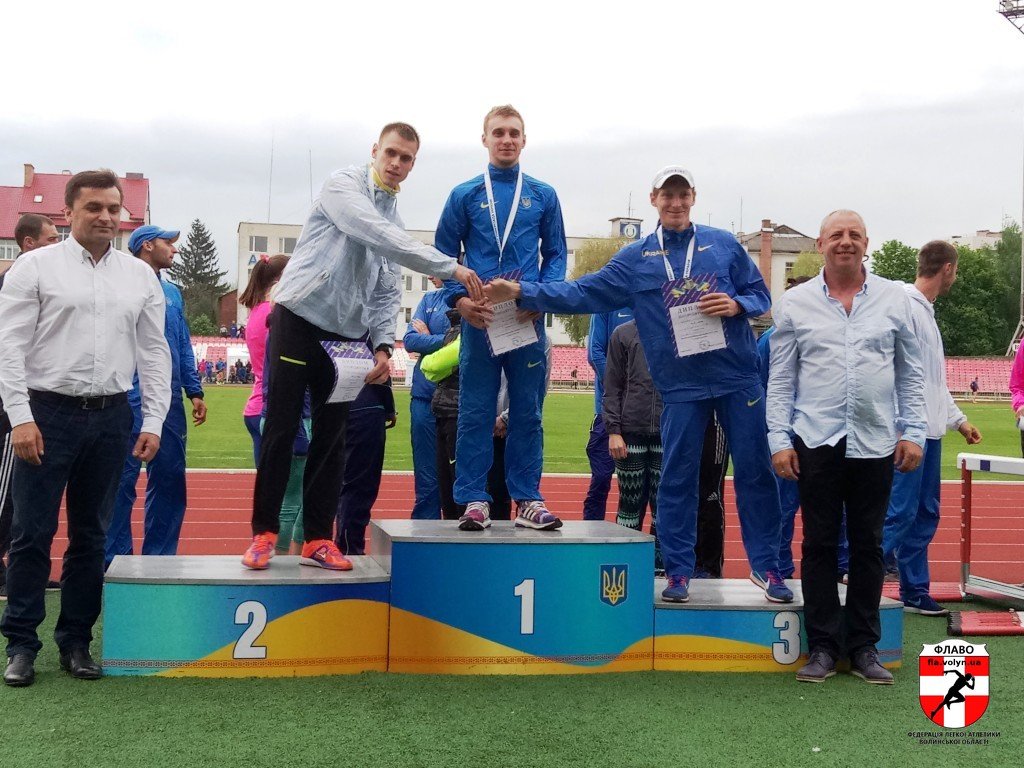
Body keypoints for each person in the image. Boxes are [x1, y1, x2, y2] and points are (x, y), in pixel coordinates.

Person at [485, 166, 791, 605]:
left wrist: (737, 303)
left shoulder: (723, 244)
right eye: (667, 195)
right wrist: (521, 292)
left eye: (682, 194)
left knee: (756, 472)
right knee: (677, 478)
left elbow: (761, 296)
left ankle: (767, 567)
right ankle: (679, 572)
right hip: (681, 387)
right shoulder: (636, 258)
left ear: (693, 197)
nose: (675, 203)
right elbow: (582, 292)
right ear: (654, 200)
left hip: (736, 377)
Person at [242, 122, 482, 571]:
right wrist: (449, 267)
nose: (396, 163)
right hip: (297, 317)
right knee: (282, 427)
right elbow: (372, 232)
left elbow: (387, 291)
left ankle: (318, 539)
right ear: (375, 151)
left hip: (346, 337)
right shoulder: (342, 186)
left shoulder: (395, 220)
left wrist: (383, 346)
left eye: (406, 158)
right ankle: (264, 534)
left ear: (413, 164)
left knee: (333, 437)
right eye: (391, 153)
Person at [0, 170, 170, 686]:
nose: (105, 217)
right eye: (94, 207)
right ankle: (21, 644)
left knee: (92, 536)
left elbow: (154, 351)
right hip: (46, 413)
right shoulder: (34, 267)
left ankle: (75, 640)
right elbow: (9, 345)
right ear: (68, 213)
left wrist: (154, 418)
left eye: (113, 209)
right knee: (31, 533)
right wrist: (20, 416)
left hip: (112, 415)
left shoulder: (139, 277)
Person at [767, 209, 926, 685]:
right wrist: (779, 439)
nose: (846, 241)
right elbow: (781, 379)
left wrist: (914, 431)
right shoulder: (795, 304)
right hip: (816, 439)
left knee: (868, 546)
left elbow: (910, 373)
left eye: (855, 234)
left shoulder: (895, 299)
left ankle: (862, 647)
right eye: (836, 234)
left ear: (866, 244)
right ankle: (821, 646)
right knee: (817, 543)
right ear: (820, 244)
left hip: (875, 440)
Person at [435, 104, 567, 532]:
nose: (506, 139)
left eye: (513, 133)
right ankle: (474, 499)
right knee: (475, 410)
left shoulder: (543, 194)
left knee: (528, 411)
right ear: (485, 139)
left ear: (524, 140)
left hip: (526, 318)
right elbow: (443, 257)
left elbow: (556, 254)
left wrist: (542, 296)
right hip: (482, 319)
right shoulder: (464, 194)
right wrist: (459, 301)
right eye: (498, 132)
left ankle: (527, 498)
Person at [882, 241, 981, 615]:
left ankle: (914, 589)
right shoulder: (906, 306)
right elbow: (897, 373)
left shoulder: (926, 313)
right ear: (949, 269)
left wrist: (959, 421)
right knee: (899, 512)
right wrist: (903, 428)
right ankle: (854, 577)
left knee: (924, 513)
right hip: (911, 432)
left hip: (930, 432)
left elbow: (932, 383)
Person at [105, 226, 207, 568]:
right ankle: (115, 562)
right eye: (168, 243)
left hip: (169, 399)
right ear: (147, 245)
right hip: (128, 394)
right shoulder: (120, 284)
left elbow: (182, 342)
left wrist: (193, 389)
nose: (174, 250)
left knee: (170, 481)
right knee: (121, 482)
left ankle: (159, 561)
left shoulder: (172, 292)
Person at [0, 215, 61, 600]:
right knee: (7, 490)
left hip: (36, 401)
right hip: (13, 405)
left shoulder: (43, 279)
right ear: (28, 243)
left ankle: (19, 568)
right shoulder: (16, 281)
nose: (59, 245)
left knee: (26, 495)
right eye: (52, 239)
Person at [603, 320, 664, 570]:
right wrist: (613, 431)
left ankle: (660, 567)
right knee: (629, 504)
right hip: (630, 432)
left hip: (667, 431)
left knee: (663, 505)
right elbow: (611, 386)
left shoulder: (676, 330)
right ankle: (626, 563)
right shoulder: (623, 334)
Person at [403, 276, 451, 519]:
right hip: (423, 396)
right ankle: (424, 527)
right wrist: (444, 339)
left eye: (434, 268)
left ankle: (458, 528)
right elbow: (410, 340)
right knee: (425, 476)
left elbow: (466, 341)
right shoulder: (429, 299)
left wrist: (429, 338)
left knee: (457, 474)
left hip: (457, 400)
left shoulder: (469, 298)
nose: (430, 275)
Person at [334, 373, 397, 555]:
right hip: (365, 404)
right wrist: (389, 407)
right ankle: (350, 548)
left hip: (334, 403)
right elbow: (381, 372)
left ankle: (341, 544)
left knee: (340, 480)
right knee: (360, 484)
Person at [582, 308, 633, 521]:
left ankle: (641, 536)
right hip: (606, 412)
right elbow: (595, 353)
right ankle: (592, 530)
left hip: (642, 413)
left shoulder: (651, 300)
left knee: (641, 485)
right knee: (601, 479)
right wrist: (619, 389)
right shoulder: (605, 306)